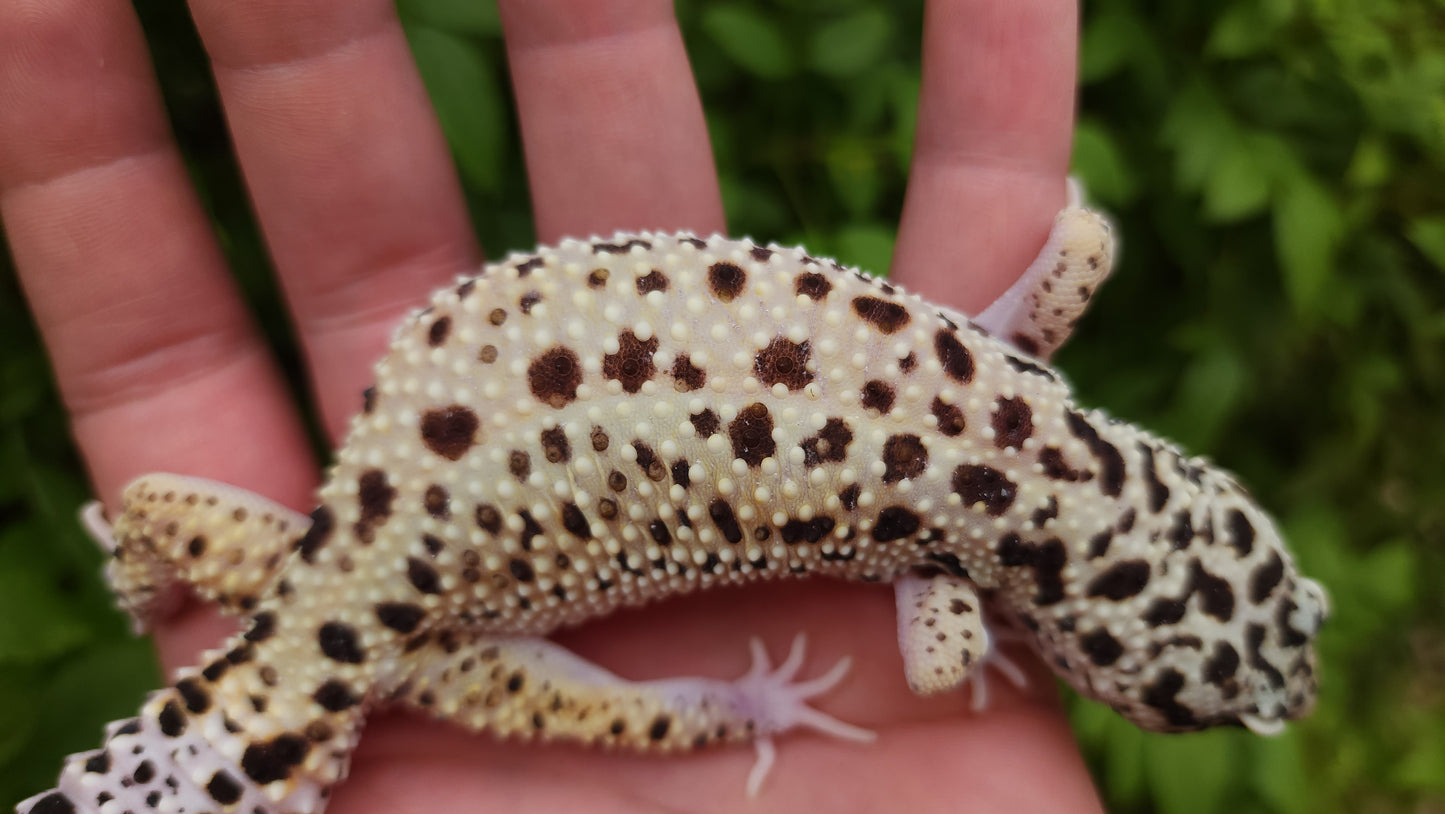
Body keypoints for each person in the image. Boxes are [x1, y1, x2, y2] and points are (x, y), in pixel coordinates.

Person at [0, 1, 1103, 810]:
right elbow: (148, 507)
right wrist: (141, 573)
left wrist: (751, 710)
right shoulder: (265, 568)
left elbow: (629, 713)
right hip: (458, 466)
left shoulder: (431, 664)